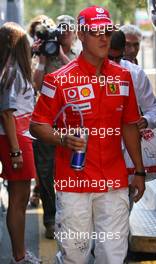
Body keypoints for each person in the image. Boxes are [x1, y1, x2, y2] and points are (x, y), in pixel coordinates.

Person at [30, 5, 145, 264]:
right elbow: (37, 125)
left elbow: (129, 125)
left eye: (107, 31)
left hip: (114, 182)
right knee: (75, 255)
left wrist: (139, 170)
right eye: (96, 32)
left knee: (113, 256)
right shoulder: (58, 79)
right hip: (74, 182)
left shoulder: (124, 77)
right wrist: (62, 138)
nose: (104, 37)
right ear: (81, 35)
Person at [28, 14, 77, 239]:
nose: (65, 32)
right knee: (46, 174)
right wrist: (43, 61)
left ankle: (71, 219)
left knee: (73, 172)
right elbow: (36, 86)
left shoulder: (79, 56)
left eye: (69, 29)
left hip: (74, 124)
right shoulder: (43, 55)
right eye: (61, 28)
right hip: (47, 124)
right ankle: (50, 220)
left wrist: (61, 55)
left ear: (75, 33)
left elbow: (79, 78)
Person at [0, 22, 41, 264]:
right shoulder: (12, 71)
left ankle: (20, 254)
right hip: (15, 138)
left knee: (19, 198)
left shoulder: (10, 68)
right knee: (18, 199)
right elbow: (6, 113)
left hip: (18, 136)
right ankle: (20, 256)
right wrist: (16, 151)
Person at [109, 30, 156, 130]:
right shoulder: (84, 74)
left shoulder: (136, 73)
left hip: (130, 140)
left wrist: (147, 120)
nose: (114, 63)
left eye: (118, 58)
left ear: (122, 51)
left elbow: (154, 108)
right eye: (109, 58)